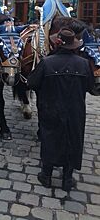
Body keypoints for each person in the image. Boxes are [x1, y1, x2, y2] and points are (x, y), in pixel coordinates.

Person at [28, 28, 94, 192]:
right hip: (75, 110)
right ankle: (67, 178)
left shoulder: (47, 62)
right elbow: (91, 87)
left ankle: (46, 175)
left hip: (50, 108)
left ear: (57, 44)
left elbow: (31, 83)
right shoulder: (84, 64)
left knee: (50, 138)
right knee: (73, 140)